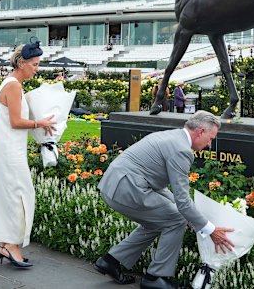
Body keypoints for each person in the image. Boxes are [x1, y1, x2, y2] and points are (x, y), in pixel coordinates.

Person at [94, 111, 234, 289]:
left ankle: (110, 261)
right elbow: (182, 201)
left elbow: (164, 190)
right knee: (176, 219)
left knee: (161, 219)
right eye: (210, 138)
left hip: (116, 186)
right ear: (200, 132)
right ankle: (155, 278)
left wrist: (192, 217)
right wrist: (210, 229)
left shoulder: (172, 136)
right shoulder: (182, 150)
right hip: (127, 190)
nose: (209, 144)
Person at [0, 40, 56, 268]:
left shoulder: (11, 83)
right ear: (22, 62)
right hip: (9, 151)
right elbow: (16, 121)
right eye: (34, 64)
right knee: (19, 197)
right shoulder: (14, 86)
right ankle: (11, 246)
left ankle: (6, 244)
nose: (37, 69)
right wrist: (40, 123)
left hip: (9, 148)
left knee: (12, 197)